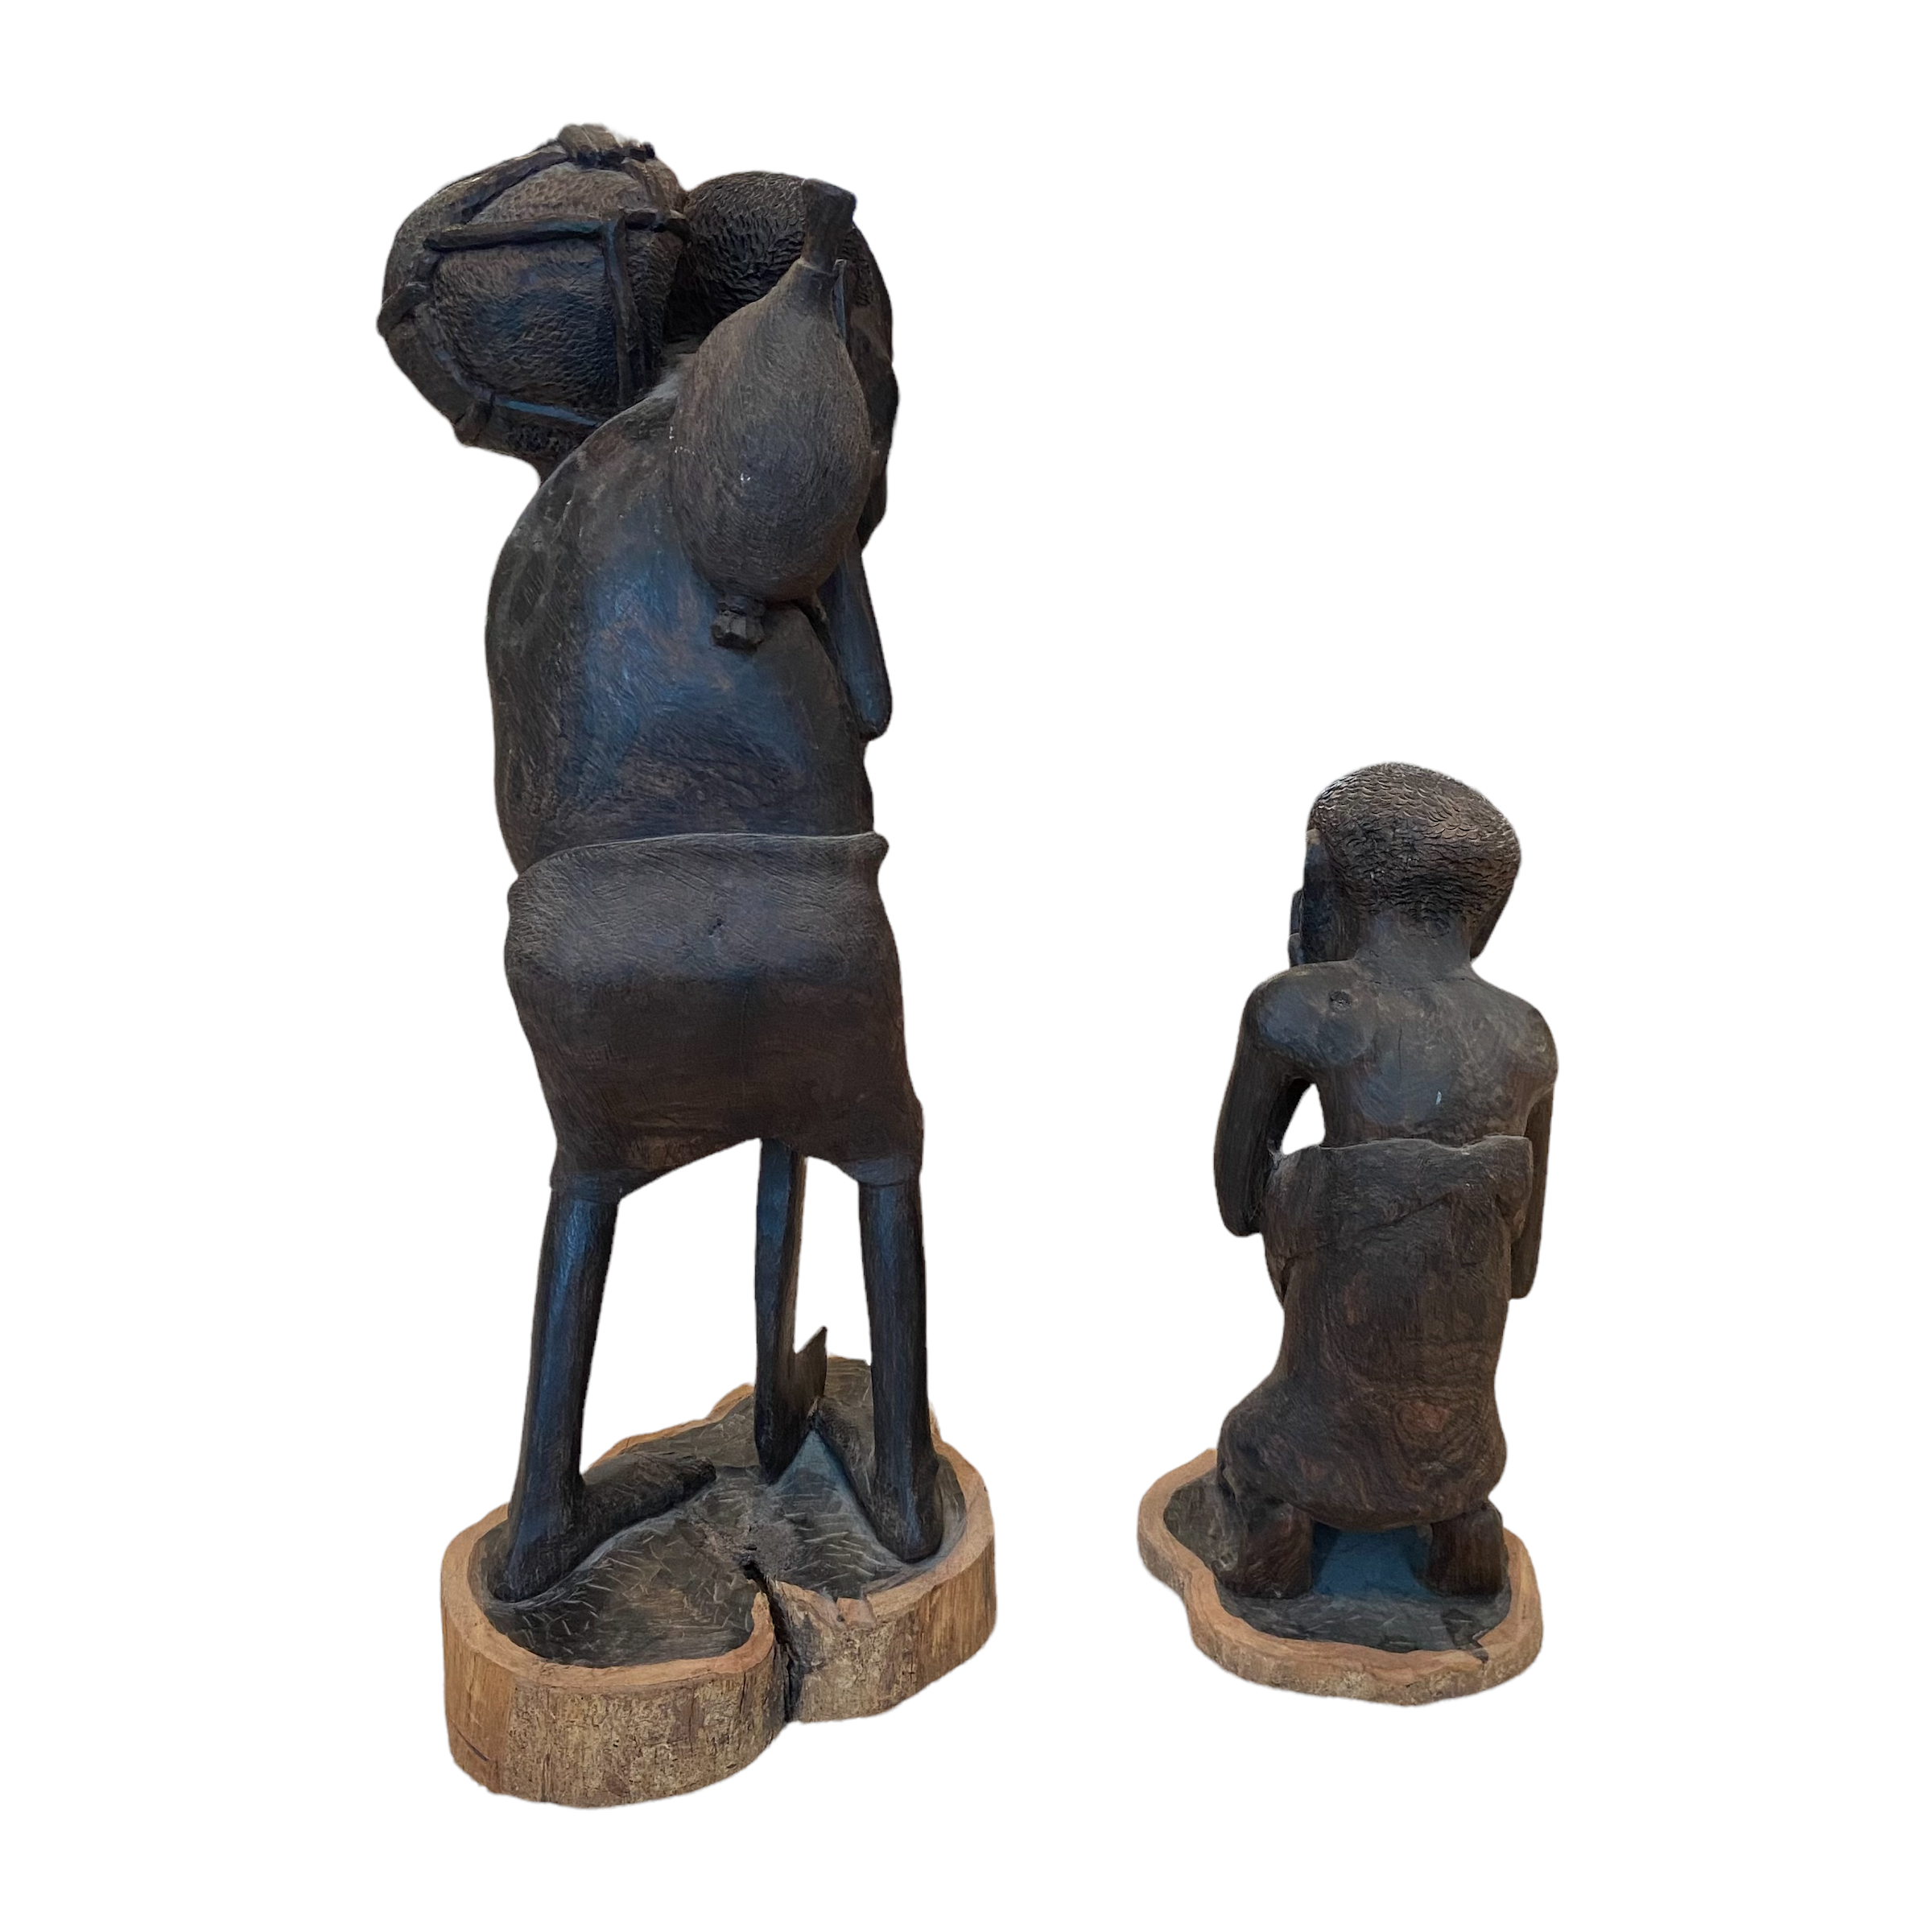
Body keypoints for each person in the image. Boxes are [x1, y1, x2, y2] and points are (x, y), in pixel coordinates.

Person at [1211, 763, 1557, 1599]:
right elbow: (1520, 1269)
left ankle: (1284, 1531)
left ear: (1324, 884)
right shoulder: (1530, 1037)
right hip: (1468, 1457)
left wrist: (1331, 1189)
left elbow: (1238, 1202)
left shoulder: (1297, 1008)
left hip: (1310, 1449)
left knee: (1248, 1441)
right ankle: (1464, 1533)